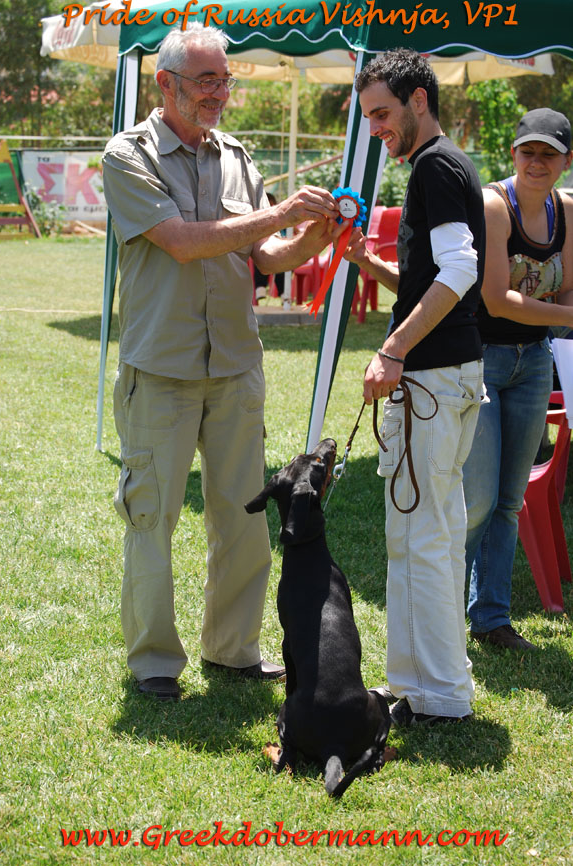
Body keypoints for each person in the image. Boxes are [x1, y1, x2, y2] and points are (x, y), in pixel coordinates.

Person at [102, 23, 339, 700]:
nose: (219, 93)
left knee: (244, 517)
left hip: (235, 366)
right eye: (206, 80)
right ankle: (154, 662)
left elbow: (265, 256)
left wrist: (314, 236)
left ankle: (233, 649)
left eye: (225, 79)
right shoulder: (127, 154)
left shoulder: (236, 156)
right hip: (161, 369)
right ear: (165, 83)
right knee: (152, 518)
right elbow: (181, 242)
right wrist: (279, 214)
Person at [342, 49, 486, 726]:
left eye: (382, 113)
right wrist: (371, 263)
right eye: (368, 116)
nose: (375, 128)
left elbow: (460, 271)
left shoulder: (434, 166)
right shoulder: (444, 163)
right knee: (429, 533)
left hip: (432, 378)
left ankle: (440, 695)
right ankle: (421, 687)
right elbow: (439, 278)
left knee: (424, 536)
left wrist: (393, 349)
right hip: (444, 377)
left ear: (418, 100)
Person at [463, 108, 573, 650]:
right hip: (482, 359)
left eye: (549, 154)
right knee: (477, 502)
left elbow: (567, 285)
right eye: (528, 151)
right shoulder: (493, 205)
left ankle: (491, 619)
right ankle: (440, 617)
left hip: (534, 362)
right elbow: (497, 299)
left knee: (509, 501)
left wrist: (565, 318)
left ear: (567, 162)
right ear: (513, 154)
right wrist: (569, 316)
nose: (537, 162)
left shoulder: (568, 210)